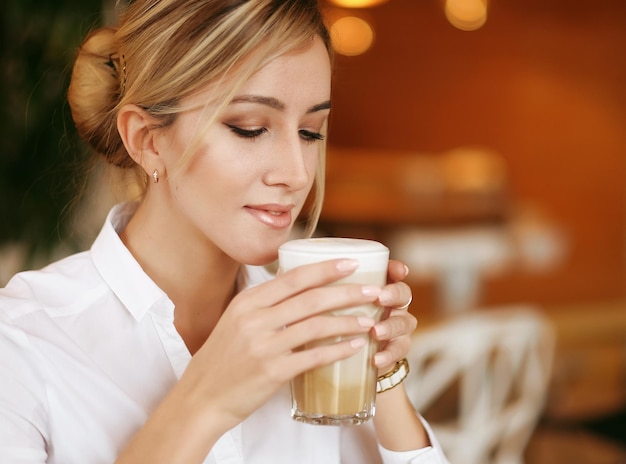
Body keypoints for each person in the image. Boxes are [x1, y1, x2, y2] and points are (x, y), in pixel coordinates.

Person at [0, 1, 449, 463]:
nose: (296, 174)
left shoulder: (316, 335)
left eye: (311, 132)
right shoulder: (21, 345)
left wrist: (382, 375)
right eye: (250, 129)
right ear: (147, 140)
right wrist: (205, 402)